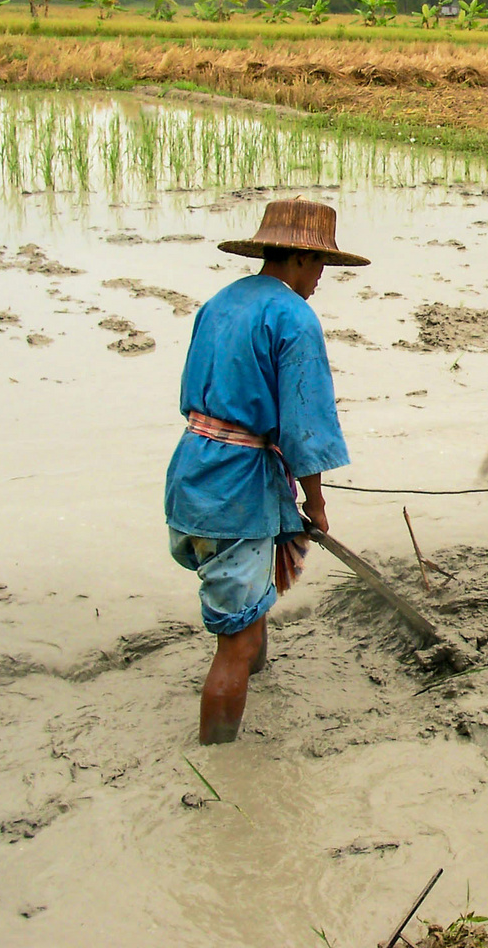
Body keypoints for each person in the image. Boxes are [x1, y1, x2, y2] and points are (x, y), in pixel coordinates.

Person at [165, 198, 369, 744]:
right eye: (321, 266)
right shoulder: (294, 318)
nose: (322, 279)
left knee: (247, 609)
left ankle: (258, 683)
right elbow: (307, 425)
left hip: (193, 471)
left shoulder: (221, 302)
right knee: (234, 646)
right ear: (302, 258)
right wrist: (316, 503)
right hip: (240, 487)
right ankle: (219, 769)